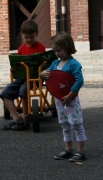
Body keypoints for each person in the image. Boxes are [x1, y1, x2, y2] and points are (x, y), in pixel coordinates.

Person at [40, 31, 87, 162]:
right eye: (55, 51)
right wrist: (42, 74)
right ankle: (68, 149)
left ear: (68, 47)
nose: (57, 54)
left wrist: (70, 95)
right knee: (65, 124)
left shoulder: (74, 64)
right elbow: (47, 76)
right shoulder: (55, 63)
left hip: (70, 100)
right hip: (59, 100)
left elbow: (79, 81)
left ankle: (81, 151)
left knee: (76, 124)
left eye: (59, 50)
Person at [0, 19, 45, 131]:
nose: (29, 40)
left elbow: (44, 64)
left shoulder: (40, 48)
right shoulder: (21, 48)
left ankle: (26, 118)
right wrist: (13, 70)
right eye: (26, 37)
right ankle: (16, 119)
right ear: (22, 35)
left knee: (23, 90)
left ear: (37, 34)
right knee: (5, 93)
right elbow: (17, 65)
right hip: (21, 78)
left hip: (34, 79)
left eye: (32, 37)